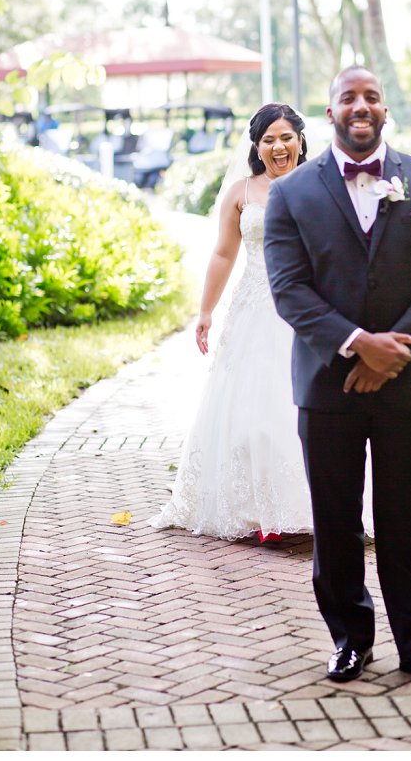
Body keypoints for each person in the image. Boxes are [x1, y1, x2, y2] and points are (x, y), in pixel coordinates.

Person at [263, 66, 411, 690]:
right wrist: (357, 347)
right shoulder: (292, 194)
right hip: (329, 387)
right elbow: (289, 289)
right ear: (329, 113)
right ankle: (349, 640)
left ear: (385, 110)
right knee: (334, 519)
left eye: (372, 97)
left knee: (409, 516)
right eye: (348, 97)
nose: (362, 106)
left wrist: (392, 352)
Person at [151, 103, 341, 543]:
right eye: (269, 139)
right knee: (256, 411)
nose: (279, 146)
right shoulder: (242, 192)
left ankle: (321, 508)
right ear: (257, 147)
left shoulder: (323, 184)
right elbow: (223, 254)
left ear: (300, 140)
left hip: (309, 310)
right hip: (254, 311)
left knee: (310, 408)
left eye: (286, 137)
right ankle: (262, 513)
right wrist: (205, 312)